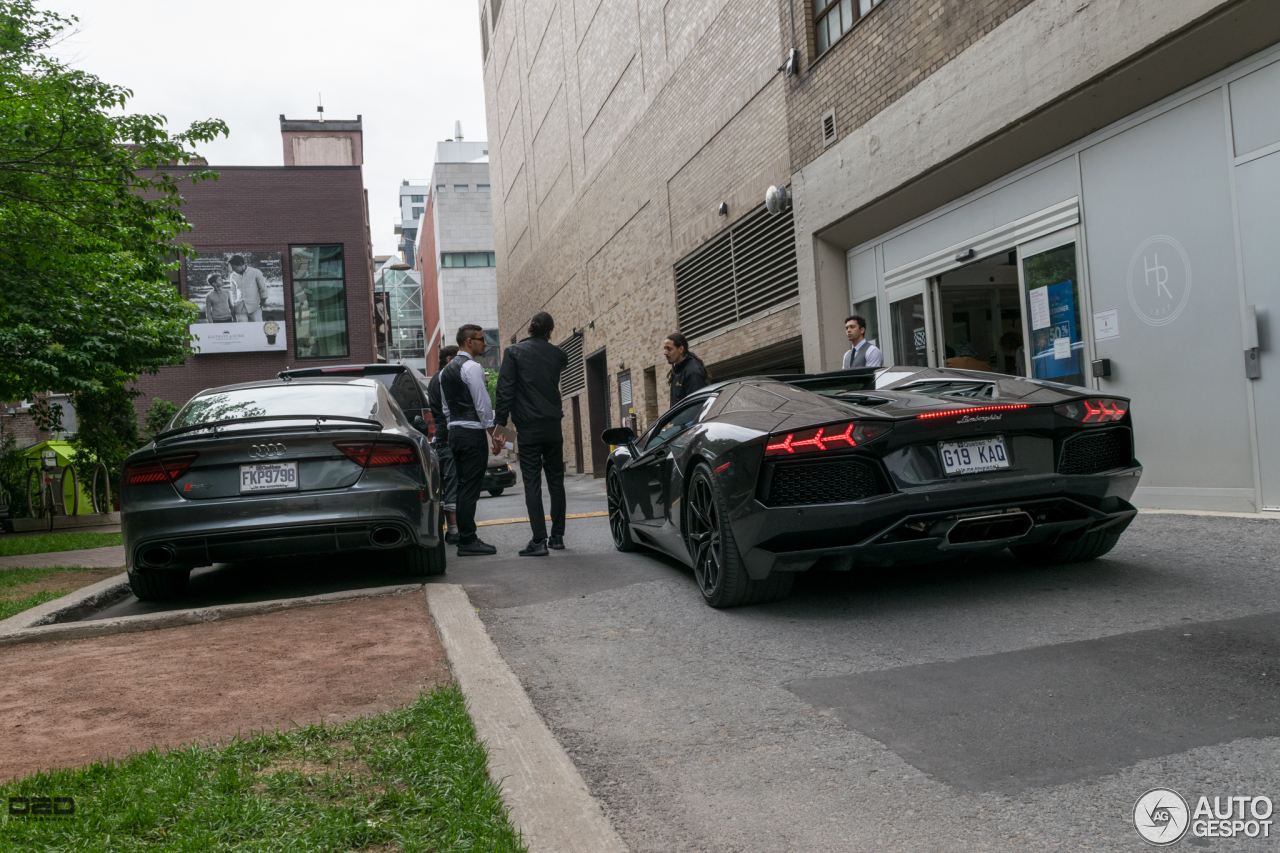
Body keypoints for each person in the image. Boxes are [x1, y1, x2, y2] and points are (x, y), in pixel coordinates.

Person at [493, 311, 570, 557]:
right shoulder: (558, 354)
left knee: (532, 483)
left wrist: (500, 432)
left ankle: (539, 540)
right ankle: (557, 536)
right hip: (553, 426)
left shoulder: (513, 353)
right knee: (556, 481)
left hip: (527, 428)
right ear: (550, 332)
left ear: (529, 329)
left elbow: (505, 393)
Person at [439, 324, 498, 555]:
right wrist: (497, 436)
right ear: (469, 342)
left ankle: (465, 538)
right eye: (481, 339)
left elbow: (446, 409)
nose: (485, 343)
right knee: (470, 489)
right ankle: (467, 540)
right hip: (472, 434)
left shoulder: (445, 372)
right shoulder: (472, 368)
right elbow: (483, 407)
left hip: (455, 433)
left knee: (463, 485)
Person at [427, 345, 461, 544]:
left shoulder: (435, 379)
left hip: (441, 437)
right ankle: (454, 531)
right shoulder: (444, 378)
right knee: (452, 482)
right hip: (448, 436)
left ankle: (453, 530)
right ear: (449, 359)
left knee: (448, 483)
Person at [664, 332, 710, 406]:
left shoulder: (693, 372)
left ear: (681, 349)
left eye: (669, 349)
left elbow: (697, 406)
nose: (665, 352)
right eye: (665, 348)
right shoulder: (677, 369)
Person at [229, 255, 270, 323]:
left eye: (234, 267)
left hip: (255, 307)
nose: (232, 270)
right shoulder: (233, 276)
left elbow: (263, 289)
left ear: (241, 264)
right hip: (239, 308)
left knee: (257, 328)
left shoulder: (255, 272)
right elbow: (233, 292)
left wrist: (261, 305)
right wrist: (234, 304)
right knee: (242, 329)